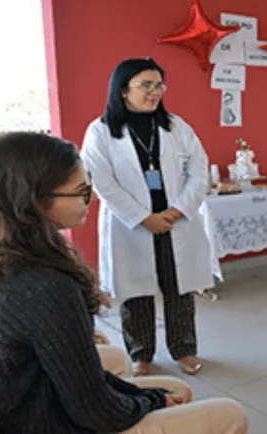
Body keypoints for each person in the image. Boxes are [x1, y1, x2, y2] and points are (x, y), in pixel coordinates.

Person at [0, 132, 248, 434]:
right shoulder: (43, 284)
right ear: (33, 202)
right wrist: (150, 401)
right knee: (230, 413)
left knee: (172, 387)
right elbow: (93, 411)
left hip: (7, 406)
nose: (93, 197)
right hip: (34, 420)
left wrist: (145, 397)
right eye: (81, 190)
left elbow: (76, 375)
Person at [81, 58, 213, 376]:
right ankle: (140, 353)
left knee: (178, 287)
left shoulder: (176, 126)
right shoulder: (100, 131)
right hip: (132, 226)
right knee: (135, 291)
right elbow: (100, 181)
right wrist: (142, 217)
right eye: (146, 85)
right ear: (123, 89)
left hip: (175, 221)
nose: (155, 92)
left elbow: (199, 170)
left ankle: (184, 349)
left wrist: (178, 209)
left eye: (159, 85)